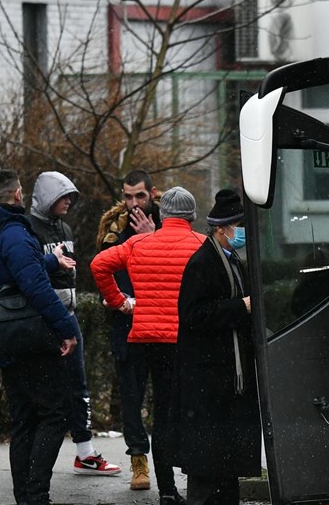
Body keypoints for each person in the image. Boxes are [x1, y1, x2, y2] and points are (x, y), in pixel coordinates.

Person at [0, 169, 79, 505]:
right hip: (30, 335)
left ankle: (24, 495)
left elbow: (12, 270)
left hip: (6, 335)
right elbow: (34, 287)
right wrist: (67, 329)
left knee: (24, 419)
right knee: (55, 414)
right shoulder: (12, 230)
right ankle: (35, 494)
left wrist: (49, 261)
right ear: (16, 194)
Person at [91, 186, 203, 505]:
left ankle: (167, 490)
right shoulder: (201, 245)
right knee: (192, 412)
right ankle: (198, 484)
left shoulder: (138, 243)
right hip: (188, 342)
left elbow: (99, 265)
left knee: (162, 415)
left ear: (162, 214)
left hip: (148, 341)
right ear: (192, 216)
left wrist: (119, 302)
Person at [172, 189, 262, 505]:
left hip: (224, 380)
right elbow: (194, 314)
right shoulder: (203, 263)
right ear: (221, 228)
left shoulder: (230, 259)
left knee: (224, 467)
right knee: (208, 469)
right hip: (208, 381)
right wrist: (242, 308)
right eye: (238, 225)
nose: (242, 233)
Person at [29, 171, 121, 476]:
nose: (68, 201)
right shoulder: (29, 229)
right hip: (43, 319)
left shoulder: (65, 227)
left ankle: (85, 452)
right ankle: (34, 456)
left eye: (70, 196)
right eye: (62, 196)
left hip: (68, 314)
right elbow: (28, 273)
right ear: (47, 198)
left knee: (78, 386)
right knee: (44, 390)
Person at [94, 170, 161, 490]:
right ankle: (139, 461)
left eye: (140, 196)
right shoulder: (113, 228)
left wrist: (151, 236)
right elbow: (101, 267)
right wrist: (116, 301)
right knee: (131, 398)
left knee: (168, 397)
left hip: (162, 324)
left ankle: (169, 456)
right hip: (126, 325)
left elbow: (180, 265)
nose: (133, 203)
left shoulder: (167, 223)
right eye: (128, 196)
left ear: (152, 194)